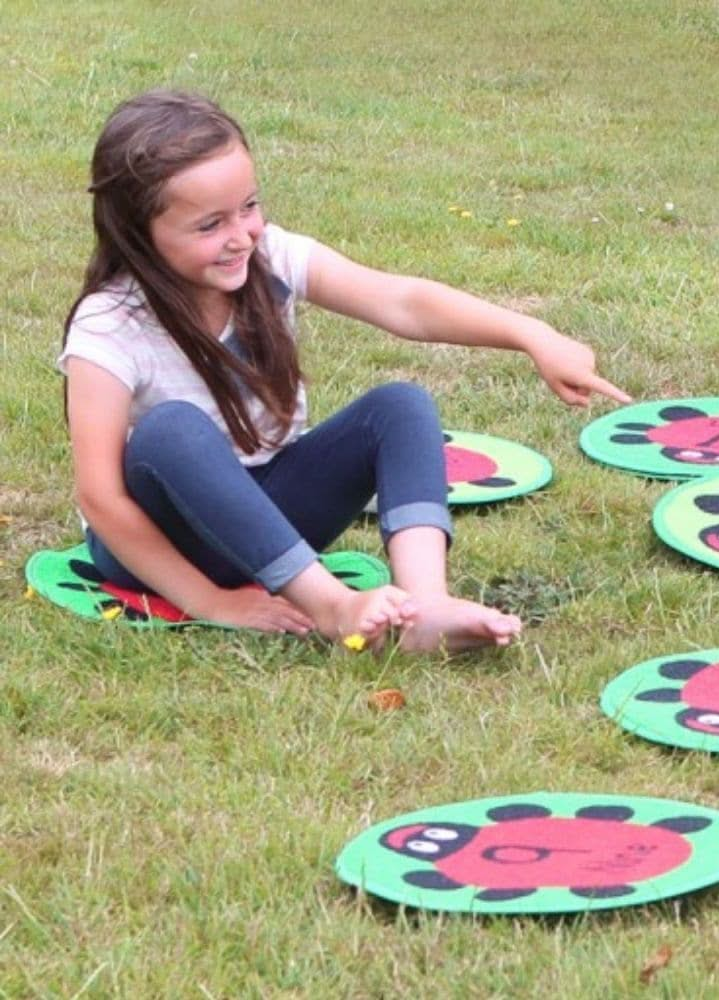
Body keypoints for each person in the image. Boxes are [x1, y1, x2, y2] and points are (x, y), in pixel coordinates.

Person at [60, 89, 630, 653]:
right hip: (166, 542)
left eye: (250, 206)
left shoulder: (269, 258)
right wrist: (212, 601)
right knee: (172, 430)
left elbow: (402, 302)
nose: (242, 236)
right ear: (139, 234)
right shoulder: (108, 326)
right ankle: (333, 607)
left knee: (400, 405)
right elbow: (103, 500)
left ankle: (425, 607)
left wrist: (531, 335)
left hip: (273, 518)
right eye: (210, 225)